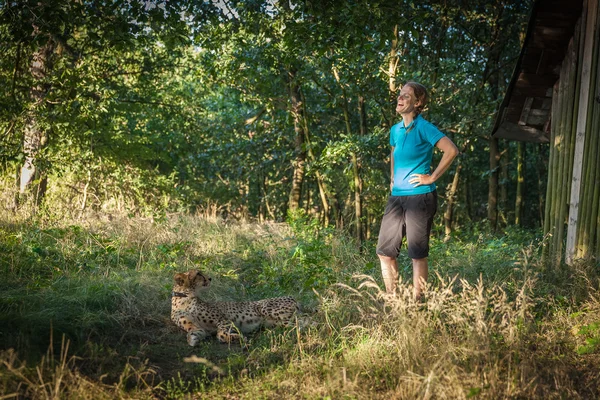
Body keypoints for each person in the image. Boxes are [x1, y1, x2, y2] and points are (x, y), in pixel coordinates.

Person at [376, 82, 458, 300]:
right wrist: (393, 178)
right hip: (397, 197)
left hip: (420, 197)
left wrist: (431, 177)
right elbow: (394, 153)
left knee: (417, 254)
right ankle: (394, 303)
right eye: (399, 95)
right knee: (385, 252)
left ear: (418, 102)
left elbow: (451, 150)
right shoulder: (395, 130)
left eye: (406, 96)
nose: (400, 98)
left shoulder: (424, 127)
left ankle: (417, 304)